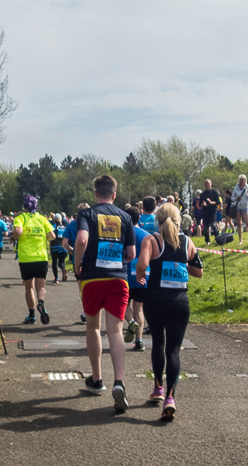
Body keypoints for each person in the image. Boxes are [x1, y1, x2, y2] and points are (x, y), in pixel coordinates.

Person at [135, 203, 203, 421]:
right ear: (179, 220)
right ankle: (171, 398)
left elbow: (142, 264)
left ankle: (158, 387)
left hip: (155, 299)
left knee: (158, 342)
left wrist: (141, 279)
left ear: (157, 220)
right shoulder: (188, 242)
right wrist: (180, 264)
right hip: (179, 302)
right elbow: (198, 272)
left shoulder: (151, 240)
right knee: (174, 349)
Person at [75, 175, 137, 412]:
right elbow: (131, 253)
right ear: (114, 194)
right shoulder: (125, 217)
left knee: (92, 327)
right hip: (118, 279)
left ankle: (97, 378)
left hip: (92, 277)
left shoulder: (87, 214)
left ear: (95, 194)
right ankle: (119, 381)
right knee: (115, 330)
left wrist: (77, 265)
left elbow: (81, 239)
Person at [12, 195, 55, 324]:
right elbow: (52, 236)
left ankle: (32, 315)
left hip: (26, 258)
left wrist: (14, 236)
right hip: (41, 257)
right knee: (41, 286)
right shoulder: (42, 219)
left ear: (24, 206)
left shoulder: (20, 218)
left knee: (29, 287)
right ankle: (41, 302)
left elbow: (18, 232)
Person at [123, 206, 150, 352]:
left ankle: (131, 321)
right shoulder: (147, 235)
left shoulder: (124, 234)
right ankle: (139, 341)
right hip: (144, 275)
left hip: (126, 275)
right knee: (139, 308)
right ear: (139, 218)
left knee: (124, 305)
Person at [230, 174, 248, 244]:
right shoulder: (236, 188)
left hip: (245, 206)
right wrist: (236, 198)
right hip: (238, 206)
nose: (242, 182)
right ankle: (240, 239)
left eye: (243, 180)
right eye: (241, 180)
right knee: (239, 223)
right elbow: (232, 198)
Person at [198, 179, 221, 244]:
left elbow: (218, 202)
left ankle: (217, 237)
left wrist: (211, 203)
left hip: (213, 211)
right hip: (205, 211)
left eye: (208, 183)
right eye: (206, 184)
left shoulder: (214, 192)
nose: (207, 185)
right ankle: (207, 240)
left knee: (213, 224)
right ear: (204, 185)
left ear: (211, 184)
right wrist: (203, 204)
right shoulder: (202, 194)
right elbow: (200, 204)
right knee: (205, 226)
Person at [50, 213, 69, 284]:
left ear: (54, 220)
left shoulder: (52, 227)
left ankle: (56, 279)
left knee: (54, 263)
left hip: (54, 247)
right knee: (61, 262)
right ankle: (63, 269)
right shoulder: (64, 228)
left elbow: (50, 236)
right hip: (63, 248)